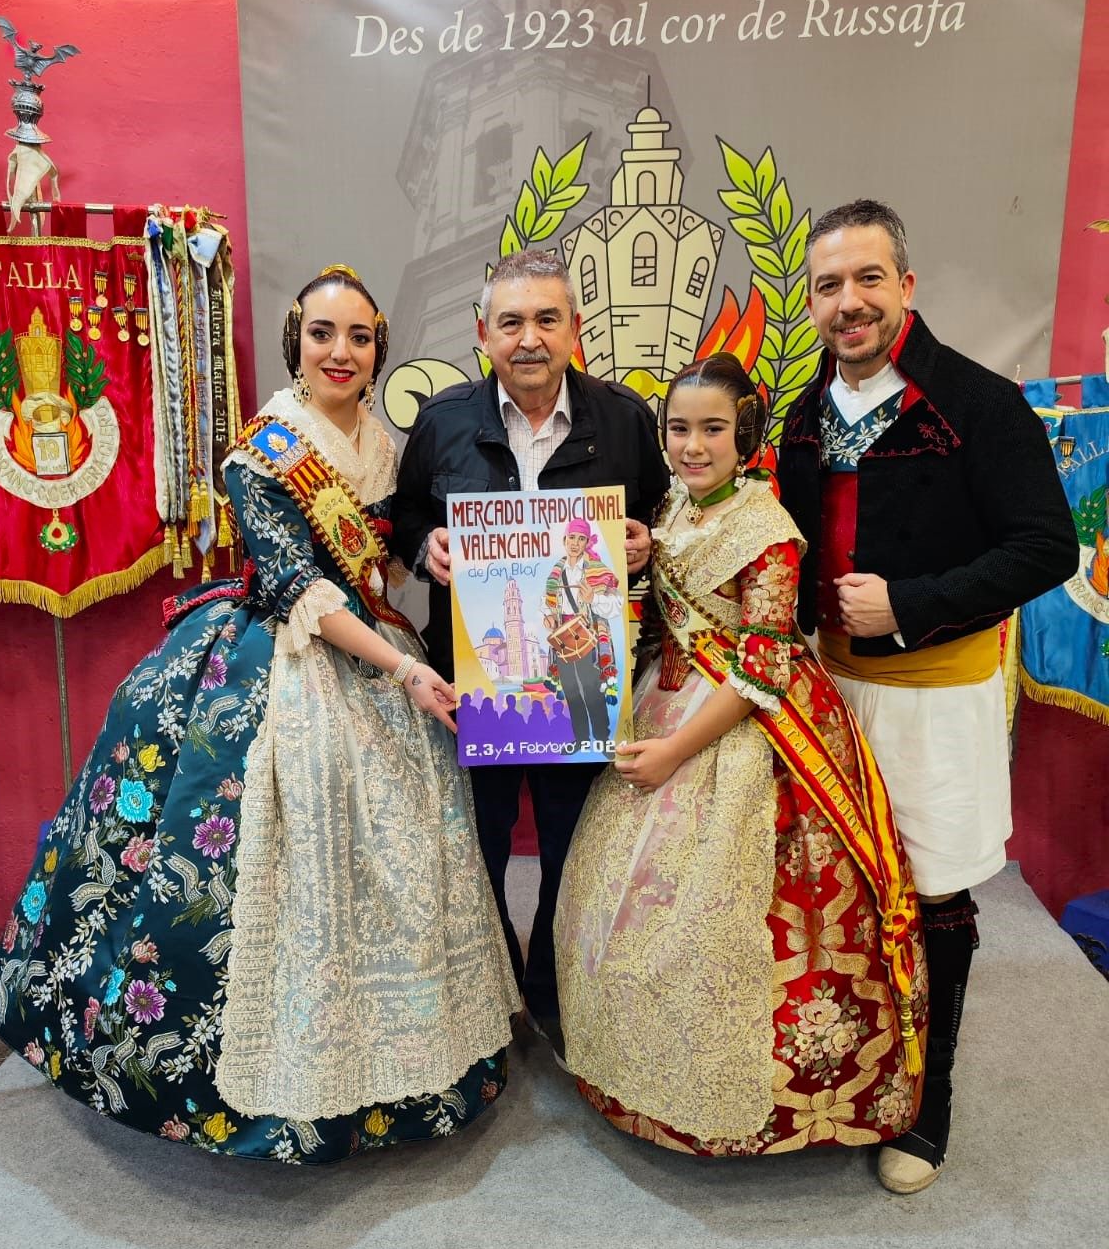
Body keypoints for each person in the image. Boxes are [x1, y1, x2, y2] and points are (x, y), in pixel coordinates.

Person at [0, 265, 519, 1163]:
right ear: (294, 343)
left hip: (377, 649)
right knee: (258, 842)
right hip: (285, 660)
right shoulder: (266, 447)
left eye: (357, 337)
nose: (340, 353)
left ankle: (411, 1060)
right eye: (322, 334)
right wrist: (403, 669)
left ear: (379, 348)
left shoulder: (385, 444)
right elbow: (297, 583)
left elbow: (397, 549)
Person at [777, 199, 1079, 1193]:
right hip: (827, 695)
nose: (848, 302)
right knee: (842, 898)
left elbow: (1046, 546)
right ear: (811, 302)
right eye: (828, 285)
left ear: (906, 285)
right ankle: (854, 1077)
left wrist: (910, 604)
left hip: (932, 695)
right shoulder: (803, 416)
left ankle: (926, 1102)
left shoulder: (980, 404)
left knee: (933, 892)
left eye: (867, 279)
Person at [554, 355, 926, 1159]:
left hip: (741, 734)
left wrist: (673, 753)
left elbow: (763, 668)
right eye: (679, 429)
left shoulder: (768, 529)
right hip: (669, 695)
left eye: (712, 430)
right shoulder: (675, 505)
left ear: (746, 434)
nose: (693, 446)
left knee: (721, 922)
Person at [392, 249, 669, 1033]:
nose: (530, 338)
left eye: (548, 319)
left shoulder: (624, 420)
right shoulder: (443, 422)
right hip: (471, 687)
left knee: (571, 849)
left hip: (581, 690)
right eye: (511, 321)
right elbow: (408, 514)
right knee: (474, 850)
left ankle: (550, 989)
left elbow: (657, 511)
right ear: (483, 333)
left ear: (576, 329)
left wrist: (643, 544)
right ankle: (487, 994)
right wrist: (426, 548)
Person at [542, 517, 623, 752]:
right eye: (572, 538)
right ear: (564, 539)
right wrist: (548, 617)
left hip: (588, 636)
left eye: (581, 539)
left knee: (592, 688)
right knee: (571, 689)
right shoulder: (556, 573)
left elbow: (615, 605)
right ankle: (580, 739)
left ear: (587, 542)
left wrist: (593, 599)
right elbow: (547, 604)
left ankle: (603, 738)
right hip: (564, 639)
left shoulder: (597, 570)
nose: (575, 543)